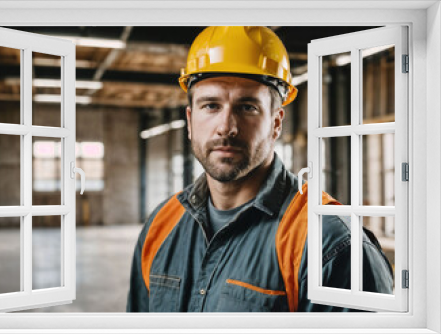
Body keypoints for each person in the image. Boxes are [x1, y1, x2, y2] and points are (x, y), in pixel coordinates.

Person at [127, 26, 393, 312]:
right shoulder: (161, 225)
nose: (226, 127)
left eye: (247, 107)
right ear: (190, 121)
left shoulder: (329, 244)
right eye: (211, 105)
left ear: (276, 122)